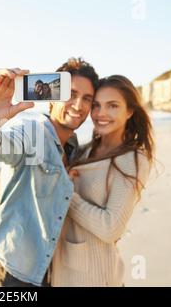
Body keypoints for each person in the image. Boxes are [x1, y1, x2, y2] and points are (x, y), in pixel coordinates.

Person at [0, 58, 98, 286]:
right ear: (51, 97)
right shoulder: (32, 131)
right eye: (70, 94)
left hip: (45, 269)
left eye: (87, 99)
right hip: (13, 269)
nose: (78, 105)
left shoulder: (73, 145)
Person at [50, 75, 155, 287]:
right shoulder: (85, 150)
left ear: (130, 111)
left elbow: (110, 228)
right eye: (96, 105)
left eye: (113, 106)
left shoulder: (133, 159)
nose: (101, 114)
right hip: (62, 273)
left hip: (95, 277)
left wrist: (66, 192)